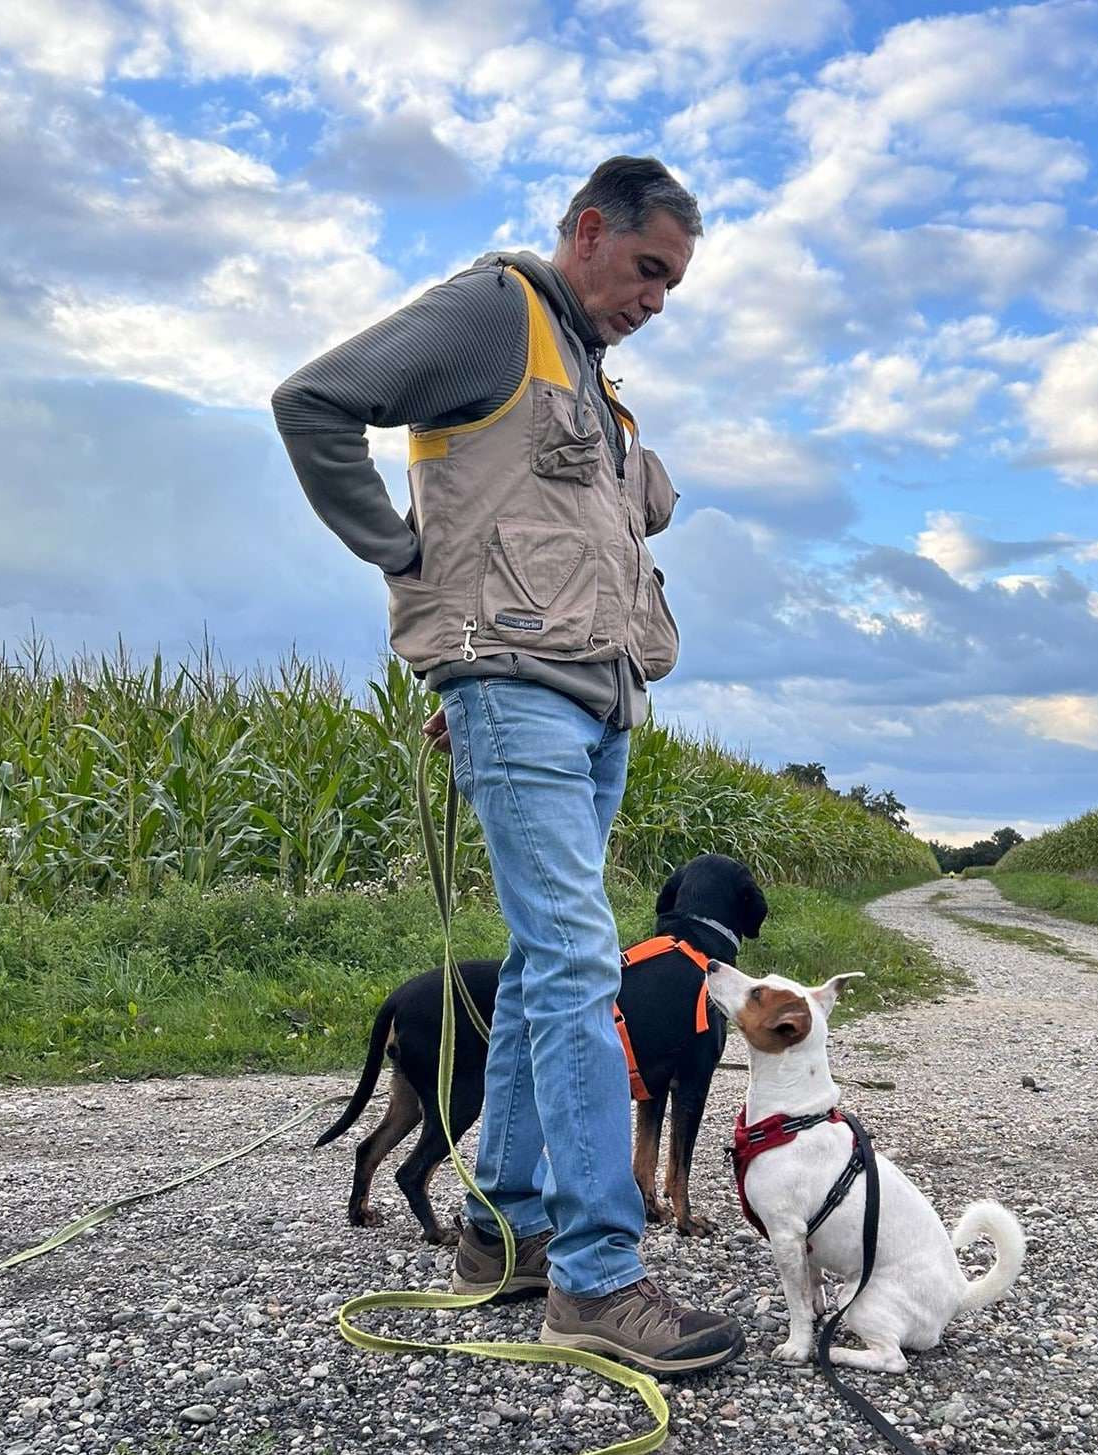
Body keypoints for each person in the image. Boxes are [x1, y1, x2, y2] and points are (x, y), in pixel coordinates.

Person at [272, 156, 744, 1374]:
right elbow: (314, 401)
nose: (657, 297)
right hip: (518, 689)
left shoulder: (587, 369)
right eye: (647, 268)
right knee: (582, 959)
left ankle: (502, 1235)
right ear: (588, 231)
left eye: (674, 282)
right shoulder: (496, 313)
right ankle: (597, 1276)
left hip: (596, 701)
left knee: (544, 971)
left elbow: (586, 524)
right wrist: (403, 559)